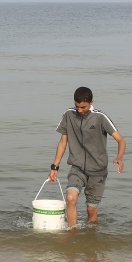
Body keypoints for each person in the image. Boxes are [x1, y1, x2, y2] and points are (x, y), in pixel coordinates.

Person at [47, 87, 125, 227]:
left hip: (98, 171)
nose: (80, 110)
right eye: (77, 107)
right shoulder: (69, 115)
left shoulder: (100, 117)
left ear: (91, 102)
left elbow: (121, 140)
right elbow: (63, 142)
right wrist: (55, 167)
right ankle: (72, 235)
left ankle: (91, 240)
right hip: (77, 168)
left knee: (91, 210)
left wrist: (119, 157)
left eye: (83, 107)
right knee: (71, 198)